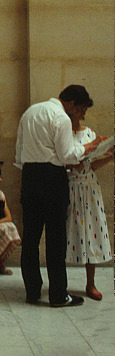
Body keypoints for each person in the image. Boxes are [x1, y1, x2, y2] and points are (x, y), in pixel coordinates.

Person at [15, 84, 102, 307]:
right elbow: (68, 155)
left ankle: (32, 291)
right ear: (71, 103)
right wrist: (90, 146)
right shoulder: (61, 117)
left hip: (29, 175)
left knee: (31, 237)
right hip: (52, 178)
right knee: (56, 238)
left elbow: (19, 152)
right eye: (81, 108)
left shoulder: (30, 112)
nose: (81, 114)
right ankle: (58, 295)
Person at [66, 109, 112, 301]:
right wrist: (69, 165)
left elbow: (91, 165)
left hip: (90, 188)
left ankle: (90, 283)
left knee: (92, 231)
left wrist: (110, 157)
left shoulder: (89, 133)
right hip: (70, 186)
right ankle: (61, 284)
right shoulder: (63, 133)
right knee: (67, 232)